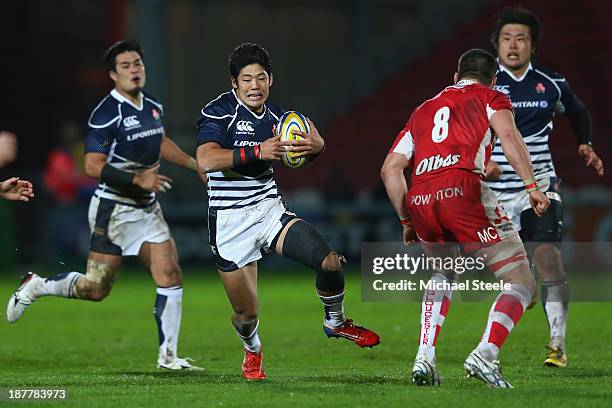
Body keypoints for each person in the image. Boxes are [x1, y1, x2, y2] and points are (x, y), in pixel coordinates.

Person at [6, 40, 202, 370]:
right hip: (114, 210)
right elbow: (92, 166)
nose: (134, 69)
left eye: (137, 63)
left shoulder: (152, 104)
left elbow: (161, 140)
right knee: (96, 289)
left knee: (169, 272)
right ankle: (37, 285)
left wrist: (195, 165)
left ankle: (168, 356)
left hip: (147, 209)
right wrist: (137, 179)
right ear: (113, 74)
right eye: (125, 66)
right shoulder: (106, 114)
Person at [196, 42, 380, 381]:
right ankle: (252, 349)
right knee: (245, 314)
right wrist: (258, 151)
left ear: (271, 81)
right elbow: (206, 159)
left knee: (328, 262)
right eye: (247, 79)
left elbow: (307, 148)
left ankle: (336, 322)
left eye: (261, 78)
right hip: (229, 222)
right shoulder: (219, 111)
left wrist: (317, 146)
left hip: (268, 211)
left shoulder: (281, 118)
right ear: (234, 83)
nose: (254, 86)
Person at [381, 49, 550, 388]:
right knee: (522, 282)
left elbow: (390, 168)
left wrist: (407, 221)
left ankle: (424, 357)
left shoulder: (423, 110)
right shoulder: (492, 97)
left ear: (455, 78)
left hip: (422, 195)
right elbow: (510, 137)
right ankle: (485, 354)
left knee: (443, 270)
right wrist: (532, 186)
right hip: (462, 190)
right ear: (494, 79)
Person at [485, 7, 605, 368]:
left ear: (532, 45)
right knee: (515, 277)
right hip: (494, 193)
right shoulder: (485, 86)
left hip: (539, 185)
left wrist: (585, 142)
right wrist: (479, 160)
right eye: (506, 38)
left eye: (521, 38)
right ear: (497, 44)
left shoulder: (551, 83)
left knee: (548, 255)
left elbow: (578, 110)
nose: (513, 45)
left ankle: (557, 344)